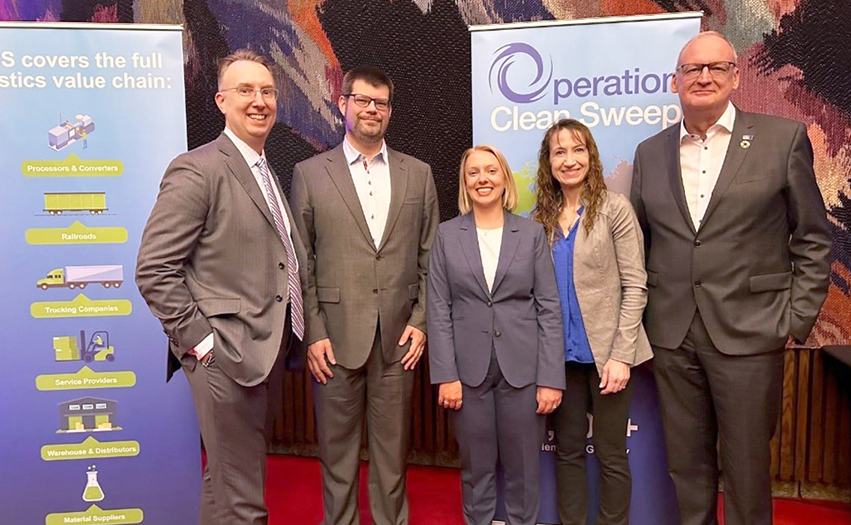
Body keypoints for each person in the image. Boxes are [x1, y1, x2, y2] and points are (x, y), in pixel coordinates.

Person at [630, 31, 831, 525]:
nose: (703, 77)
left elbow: (812, 239)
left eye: (716, 68)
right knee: (687, 468)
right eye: (692, 70)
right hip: (673, 335)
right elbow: (640, 243)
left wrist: (794, 319)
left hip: (751, 332)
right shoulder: (649, 152)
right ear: (675, 81)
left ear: (735, 77)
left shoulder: (781, 139)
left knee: (746, 470)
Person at [136, 49, 307, 525]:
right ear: (221, 101)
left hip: (262, 355)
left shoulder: (264, 171)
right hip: (226, 357)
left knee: (225, 486)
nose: (259, 101)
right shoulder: (199, 168)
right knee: (244, 503)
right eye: (246, 90)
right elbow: (153, 268)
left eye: (268, 91)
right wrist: (203, 343)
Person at [290, 66, 439, 525]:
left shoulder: (419, 174)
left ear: (390, 111)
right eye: (363, 101)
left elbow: (432, 256)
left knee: (393, 460)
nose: (372, 109)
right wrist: (312, 331)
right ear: (343, 104)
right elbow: (301, 260)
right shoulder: (310, 173)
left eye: (381, 103)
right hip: (332, 341)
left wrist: (421, 320)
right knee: (337, 460)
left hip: (399, 342)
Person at [428, 145, 564, 525]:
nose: (483, 179)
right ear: (465, 183)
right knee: (476, 470)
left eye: (491, 171)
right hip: (467, 374)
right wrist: (445, 375)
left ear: (504, 178)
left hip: (523, 371)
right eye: (474, 173)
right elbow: (438, 307)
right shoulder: (446, 235)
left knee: (524, 471)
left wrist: (551, 379)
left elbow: (548, 308)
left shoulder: (532, 233)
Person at [534, 119, 652, 525]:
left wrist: (621, 356)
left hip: (608, 359)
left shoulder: (614, 209)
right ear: (548, 162)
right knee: (567, 453)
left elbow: (636, 286)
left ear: (591, 156)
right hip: (559, 360)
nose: (569, 160)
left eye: (577, 150)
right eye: (559, 152)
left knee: (611, 454)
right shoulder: (540, 219)